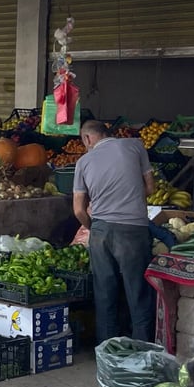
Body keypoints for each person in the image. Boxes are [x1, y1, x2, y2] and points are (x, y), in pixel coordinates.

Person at [73, 120, 156, 344]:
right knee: (137, 290)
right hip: (132, 229)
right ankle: (142, 348)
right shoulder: (135, 146)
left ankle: (107, 351)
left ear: (88, 138)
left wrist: (95, 228)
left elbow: (79, 210)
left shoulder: (83, 162)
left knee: (105, 293)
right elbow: (150, 188)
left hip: (100, 231)